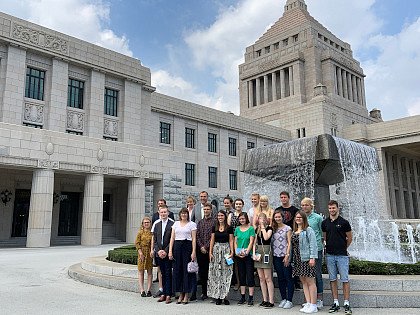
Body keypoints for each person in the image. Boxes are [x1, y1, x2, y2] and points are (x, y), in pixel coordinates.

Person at [322, 200, 353, 315]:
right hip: (330, 255)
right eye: (330, 208)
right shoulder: (325, 223)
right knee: (332, 279)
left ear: (337, 208)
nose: (331, 210)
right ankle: (335, 302)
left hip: (342, 256)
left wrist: (343, 248)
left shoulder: (344, 222)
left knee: (345, 279)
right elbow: (325, 237)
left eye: (333, 208)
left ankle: (346, 303)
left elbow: (349, 238)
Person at [168, 207, 197, 304]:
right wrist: (170, 251)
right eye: (182, 213)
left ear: (187, 215)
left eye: (185, 213)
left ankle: (186, 294)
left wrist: (193, 252)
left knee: (186, 271)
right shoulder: (175, 224)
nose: (184, 215)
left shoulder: (192, 224)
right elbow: (172, 238)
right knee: (178, 270)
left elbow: (193, 239)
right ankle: (180, 293)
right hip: (177, 247)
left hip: (187, 247)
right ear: (180, 214)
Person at [292, 211, 318, 314]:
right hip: (298, 259)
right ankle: (308, 302)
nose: (298, 219)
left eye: (300, 217)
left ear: (304, 219)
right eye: (296, 217)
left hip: (306, 258)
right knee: (303, 281)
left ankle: (313, 304)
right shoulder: (295, 230)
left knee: (310, 282)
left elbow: (313, 244)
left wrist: (312, 258)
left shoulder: (308, 230)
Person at [301, 197, 324, 309]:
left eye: (306, 205)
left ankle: (319, 298)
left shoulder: (318, 218)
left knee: (317, 274)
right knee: (307, 275)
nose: (304, 207)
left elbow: (322, 232)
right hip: (305, 251)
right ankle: (310, 300)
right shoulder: (301, 217)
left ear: (311, 206)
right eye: (303, 205)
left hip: (317, 249)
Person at [208, 210, 234, 305]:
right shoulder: (214, 227)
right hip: (216, 250)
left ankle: (225, 296)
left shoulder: (229, 228)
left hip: (226, 250)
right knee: (216, 273)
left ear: (225, 216)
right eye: (218, 216)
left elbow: (231, 240)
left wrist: (232, 252)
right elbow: (212, 240)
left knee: (226, 273)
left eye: (222, 215)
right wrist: (210, 252)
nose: (220, 217)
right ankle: (218, 296)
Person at [151, 198, 174, 298]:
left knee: (168, 273)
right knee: (162, 273)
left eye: (165, 212)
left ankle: (168, 294)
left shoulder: (173, 223)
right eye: (162, 212)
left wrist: (165, 251)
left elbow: (173, 240)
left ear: (168, 213)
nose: (163, 214)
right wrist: (158, 250)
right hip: (159, 253)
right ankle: (163, 293)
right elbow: (154, 239)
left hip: (168, 252)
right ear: (159, 213)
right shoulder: (156, 224)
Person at [271, 210, 294, 309]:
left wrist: (287, 255)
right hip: (276, 256)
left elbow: (289, 242)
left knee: (288, 278)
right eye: (275, 217)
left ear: (282, 217)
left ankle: (289, 300)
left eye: (279, 217)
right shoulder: (273, 228)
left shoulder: (287, 228)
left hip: (285, 256)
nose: (277, 219)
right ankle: (283, 298)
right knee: (280, 278)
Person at [252, 212, 274, 308]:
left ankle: (271, 300)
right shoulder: (257, 229)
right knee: (261, 278)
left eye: (262, 219)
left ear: (265, 220)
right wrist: (253, 253)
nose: (261, 220)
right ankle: (264, 299)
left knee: (268, 278)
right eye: (259, 218)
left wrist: (263, 227)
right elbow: (254, 242)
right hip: (258, 252)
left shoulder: (269, 228)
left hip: (266, 251)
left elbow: (266, 237)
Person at [234, 212, 256, 306]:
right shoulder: (237, 229)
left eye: (243, 219)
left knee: (250, 275)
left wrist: (247, 252)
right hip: (239, 255)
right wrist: (236, 252)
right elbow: (235, 241)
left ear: (246, 219)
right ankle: (242, 296)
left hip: (248, 255)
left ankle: (251, 297)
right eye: (240, 219)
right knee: (241, 275)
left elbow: (252, 241)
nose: (242, 220)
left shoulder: (251, 229)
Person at [196, 202, 214, 300]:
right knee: (202, 272)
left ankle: (211, 291)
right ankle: (204, 292)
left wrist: (206, 247)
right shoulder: (200, 222)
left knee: (210, 271)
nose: (206, 211)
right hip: (200, 250)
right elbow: (197, 235)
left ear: (211, 210)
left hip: (209, 250)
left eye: (208, 209)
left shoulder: (214, 222)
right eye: (205, 209)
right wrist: (201, 246)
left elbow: (212, 237)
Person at [227, 198, 245, 291]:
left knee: (239, 263)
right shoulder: (231, 215)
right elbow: (228, 227)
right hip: (233, 240)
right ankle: (232, 281)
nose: (238, 205)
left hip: (242, 241)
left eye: (240, 204)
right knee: (232, 262)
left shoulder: (244, 215)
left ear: (242, 205)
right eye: (237, 204)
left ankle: (240, 282)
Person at [135, 217, 153, 297]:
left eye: (148, 222)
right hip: (141, 252)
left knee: (149, 271)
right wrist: (140, 253)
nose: (146, 224)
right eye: (145, 222)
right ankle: (142, 290)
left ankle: (149, 289)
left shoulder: (152, 232)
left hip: (149, 253)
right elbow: (137, 243)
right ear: (142, 224)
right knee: (141, 271)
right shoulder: (140, 232)